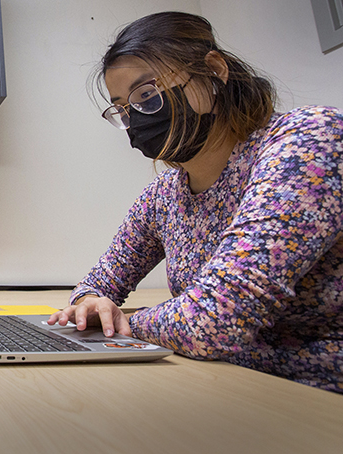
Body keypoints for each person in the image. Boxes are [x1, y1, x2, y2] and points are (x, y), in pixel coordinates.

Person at [47, 12, 343, 393]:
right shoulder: (163, 195)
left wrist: (123, 324)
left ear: (215, 71)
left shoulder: (307, 142)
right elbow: (100, 282)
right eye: (123, 110)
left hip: (319, 396)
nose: (136, 119)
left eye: (147, 96)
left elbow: (215, 321)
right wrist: (91, 302)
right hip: (230, 385)